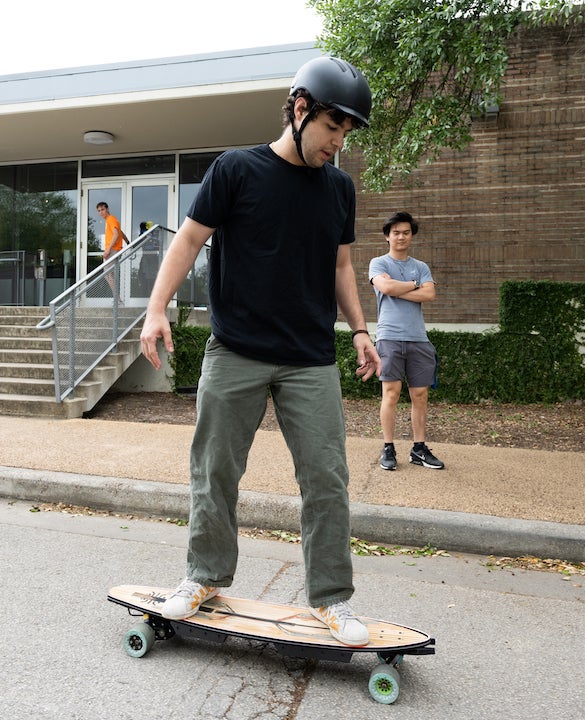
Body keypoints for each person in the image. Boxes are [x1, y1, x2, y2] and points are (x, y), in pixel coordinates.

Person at [138, 56, 380, 646]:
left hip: (309, 358)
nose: (337, 143)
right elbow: (190, 240)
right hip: (236, 350)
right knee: (215, 471)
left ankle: (331, 599)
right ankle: (203, 577)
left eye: (346, 132)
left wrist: (359, 329)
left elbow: (341, 264)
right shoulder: (236, 171)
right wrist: (155, 309)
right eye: (331, 127)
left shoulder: (338, 188)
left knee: (326, 478)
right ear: (300, 109)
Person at [368, 211, 444, 471]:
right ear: (387, 236)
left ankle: (419, 448)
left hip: (418, 339)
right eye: (396, 232)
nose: (401, 236)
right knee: (391, 393)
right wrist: (414, 286)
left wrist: (402, 286)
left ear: (411, 236)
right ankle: (388, 448)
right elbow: (386, 289)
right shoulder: (378, 263)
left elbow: (430, 293)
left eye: (406, 232)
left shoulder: (420, 266)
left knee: (420, 395)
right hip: (389, 337)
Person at [97, 202, 129, 296]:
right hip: (114, 249)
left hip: (113, 250)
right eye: (99, 211)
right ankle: (117, 298)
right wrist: (127, 242)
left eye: (102, 209)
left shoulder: (111, 219)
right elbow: (120, 232)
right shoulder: (111, 220)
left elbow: (115, 234)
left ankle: (117, 298)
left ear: (107, 209)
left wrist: (108, 250)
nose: (101, 212)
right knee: (110, 274)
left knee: (107, 273)